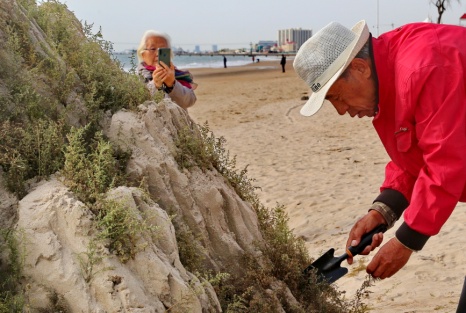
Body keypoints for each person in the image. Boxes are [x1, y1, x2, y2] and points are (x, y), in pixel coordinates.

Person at [293, 20, 466, 282]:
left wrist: (407, 241)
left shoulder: (425, 67)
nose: (342, 111)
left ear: (360, 67)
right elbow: (413, 154)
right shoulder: (390, 75)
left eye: (337, 97)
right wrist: (383, 211)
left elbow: (446, 161)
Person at [136, 30, 197, 110]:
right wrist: (155, 85)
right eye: (153, 49)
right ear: (143, 54)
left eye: (162, 50)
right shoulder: (135, 77)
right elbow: (138, 101)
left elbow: (189, 101)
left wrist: (172, 84)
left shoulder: (179, 75)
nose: (158, 54)